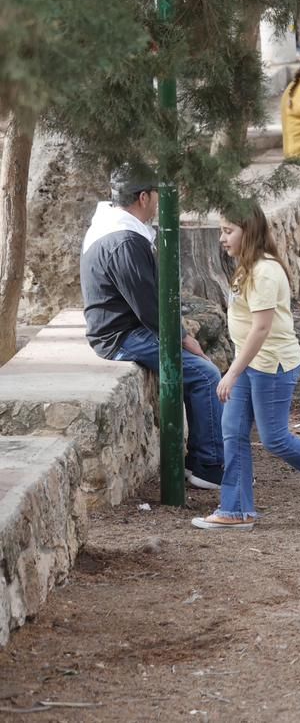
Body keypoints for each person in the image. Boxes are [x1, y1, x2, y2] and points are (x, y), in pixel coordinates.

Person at [192, 202, 300, 530]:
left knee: (275, 439)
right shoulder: (247, 266)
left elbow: (261, 328)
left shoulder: (265, 271)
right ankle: (236, 509)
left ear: (249, 231)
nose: (222, 238)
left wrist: (231, 371)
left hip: (272, 365)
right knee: (233, 429)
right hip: (252, 363)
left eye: (228, 231)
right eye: (221, 231)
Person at [80, 164, 224, 490]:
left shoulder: (113, 227)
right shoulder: (124, 241)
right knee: (205, 374)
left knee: (198, 374)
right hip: (121, 336)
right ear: (144, 197)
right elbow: (148, 308)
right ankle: (209, 465)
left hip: (123, 328)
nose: (159, 202)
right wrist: (184, 338)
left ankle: (202, 458)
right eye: (157, 195)